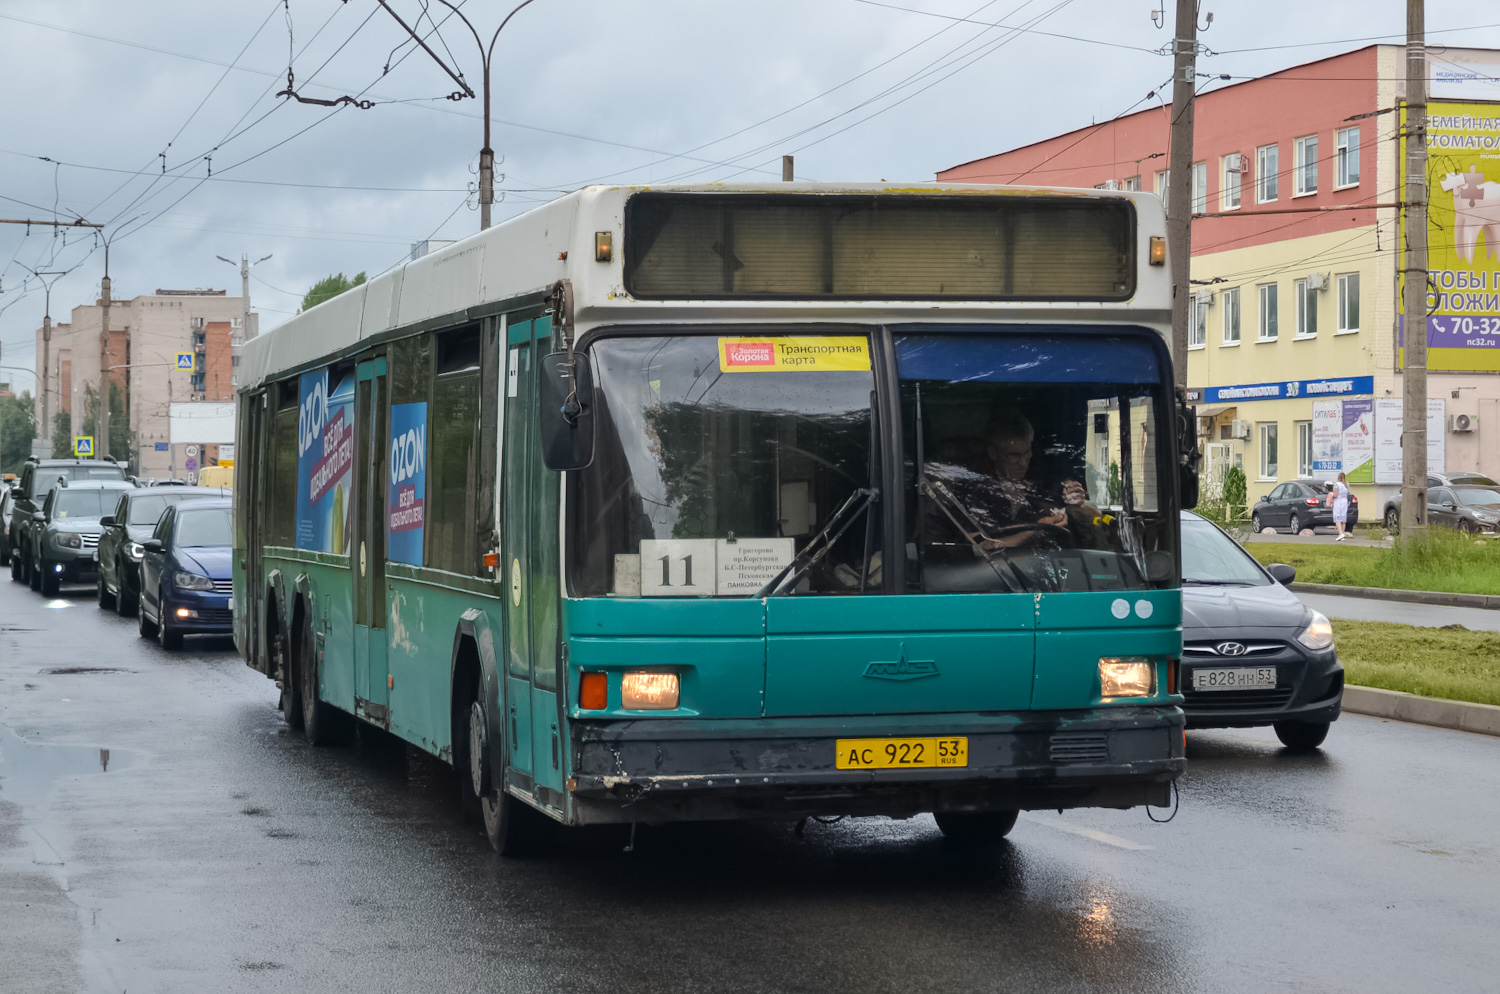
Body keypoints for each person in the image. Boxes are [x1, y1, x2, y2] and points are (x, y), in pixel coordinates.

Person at [1325, 471, 1351, 541]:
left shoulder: (1337, 484)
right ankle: (1342, 534)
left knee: (1337, 517)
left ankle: (1340, 533)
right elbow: (1348, 493)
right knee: (1343, 518)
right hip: (1345, 501)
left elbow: (1336, 495)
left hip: (1338, 501)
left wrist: (1331, 494)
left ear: (1338, 477)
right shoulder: (1347, 484)